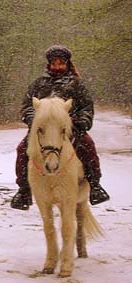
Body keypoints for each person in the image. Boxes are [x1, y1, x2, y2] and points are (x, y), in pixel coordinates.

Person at [10, 44, 110, 211]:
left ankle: (95, 186)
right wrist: (35, 120)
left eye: (60, 63)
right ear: (49, 64)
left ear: (67, 64)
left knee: (88, 146)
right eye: (54, 63)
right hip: (43, 130)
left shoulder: (76, 84)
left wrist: (80, 121)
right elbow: (27, 105)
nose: (57, 67)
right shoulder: (39, 83)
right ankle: (24, 190)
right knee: (22, 149)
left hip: (69, 128)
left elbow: (86, 107)